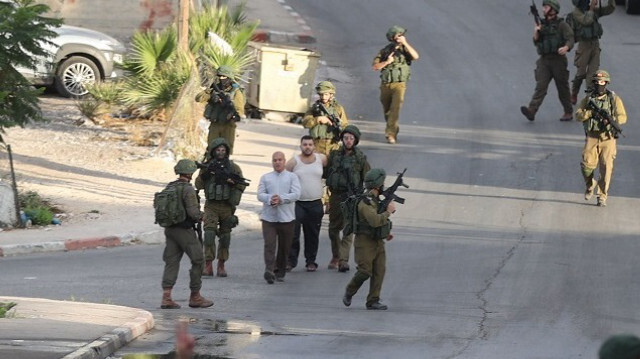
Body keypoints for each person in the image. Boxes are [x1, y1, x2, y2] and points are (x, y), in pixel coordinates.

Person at [160, 159, 213, 309]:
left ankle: (166, 297)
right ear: (190, 173)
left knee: (171, 262)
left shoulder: (170, 187)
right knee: (198, 260)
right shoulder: (188, 189)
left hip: (170, 229)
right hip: (184, 230)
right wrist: (202, 215)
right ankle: (195, 296)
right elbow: (193, 212)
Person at [342, 169, 395, 310]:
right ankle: (350, 290)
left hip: (377, 240)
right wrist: (388, 212)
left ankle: (373, 300)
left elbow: (379, 221)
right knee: (365, 271)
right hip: (364, 242)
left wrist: (386, 232)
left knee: (379, 270)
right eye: (382, 183)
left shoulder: (376, 200)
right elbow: (375, 220)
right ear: (378, 185)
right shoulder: (365, 202)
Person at [194, 137, 247, 277]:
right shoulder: (207, 166)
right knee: (209, 234)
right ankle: (208, 265)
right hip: (211, 205)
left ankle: (221, 265)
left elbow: (241, 184)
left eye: (223, 150)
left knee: (225, 237)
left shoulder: (233, 168)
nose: (221, 152)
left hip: (226, 206)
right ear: (213, 151)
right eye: (218, 150)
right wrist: (206, 175)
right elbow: (198, 185)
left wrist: (232, 184)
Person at [575, 70, 626, 207]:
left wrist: (611, 121)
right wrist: (590, 113)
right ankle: (590, 184)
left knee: (606, 168)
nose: (599, 85)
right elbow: (578, 115)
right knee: (586, 166)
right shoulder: (588, 99)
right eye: (597, 82)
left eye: (602, 82)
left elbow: (622, 116)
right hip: (592, 136)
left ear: (606, 83)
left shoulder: (613, 99)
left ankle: (602, 196)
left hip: (608, 138)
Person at [325, 125, 371, 272]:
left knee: (347, 230)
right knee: (333, 230)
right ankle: (336, 255)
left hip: (351, 198)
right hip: (335, 197)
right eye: (346, 138)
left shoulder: (360, 159)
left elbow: (369, 179)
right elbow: (326, 174)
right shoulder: (334, 156)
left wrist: (367, 198)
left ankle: (343, 261)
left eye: (351, 138)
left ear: (355, 140)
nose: (348, 141)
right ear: (342, 139)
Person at [520, 0, 575, 122]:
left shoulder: (562, 25)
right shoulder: (542, 24)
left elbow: (570, 38)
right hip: (544, 60)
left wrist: (566, 47)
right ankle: (532, 110)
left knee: (562, 87)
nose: (543, 9)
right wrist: (536, 32)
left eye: (546, 7)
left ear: (553, 10)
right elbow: (536, 42)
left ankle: (568, 111)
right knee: (541, 86)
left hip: (558, 61)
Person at [257, 151, 301, 284]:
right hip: (269, 218)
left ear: (284, 161)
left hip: (286, 218)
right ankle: (269, 270)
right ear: (272, 162)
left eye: (280, 160)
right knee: (269, 244)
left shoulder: (292, 177)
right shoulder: (266, 177)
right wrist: (270, 198)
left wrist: (282, 199)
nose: (277, 162)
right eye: (275, 160)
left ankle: (280, 270)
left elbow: (296, 194)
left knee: (284, 246)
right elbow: (260, 194)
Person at [285, 135, 327, 272]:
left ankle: (311, 261)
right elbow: (284, 177)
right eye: (305, 144)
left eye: (310, 144)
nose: (307, 147)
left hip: (315, 203)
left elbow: (330, 174)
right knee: (293, 234)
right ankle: (290, 261)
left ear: (314, 146)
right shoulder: (294, 162)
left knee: (312, 234)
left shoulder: (321, 159)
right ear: (300, 146)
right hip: (298, 203)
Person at [372, 25, 419, 144]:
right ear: (392, 38)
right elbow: (375, 66)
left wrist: (406, 43)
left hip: (399, 85)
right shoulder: (385, 51)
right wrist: (387, 62)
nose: (401, 37)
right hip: (386, 84)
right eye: (398, 36)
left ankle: (390, 134)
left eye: (402, 35)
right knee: (387, 111)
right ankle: (393, 128)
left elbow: (415, 56)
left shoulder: (405, 50)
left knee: (395, 109)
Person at [568, 0, 615, 105]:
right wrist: (591, 8)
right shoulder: (576, 12)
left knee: (592, 75)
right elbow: (586, 21)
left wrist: (611, 2)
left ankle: (591, 99)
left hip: (595, 45)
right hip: (583, 46)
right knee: (580, 74)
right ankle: (574, 93)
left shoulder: (593, 11)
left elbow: (609, 9)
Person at [195, 65, 245, 154]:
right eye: (220, 76)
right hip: (215, 124)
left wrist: (231, 113)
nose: (221, 79)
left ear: (229, 77)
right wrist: (210, 95)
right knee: (212, 149)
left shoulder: (236, 92)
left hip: (228, 125)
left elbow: (239, 111)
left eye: (224, 76)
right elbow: (198, 98)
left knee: (226, 151)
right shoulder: (214, 89)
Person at [302, 81, 349, 156]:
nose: (323, 97)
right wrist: (318, 119)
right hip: (316, 145)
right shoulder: (314, 109)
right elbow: (305, 123)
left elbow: (345, 127)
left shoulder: (338, 109)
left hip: (332, 145)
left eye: (326, 94)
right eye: (321, 94)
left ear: (331, 94)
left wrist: (339, 125)